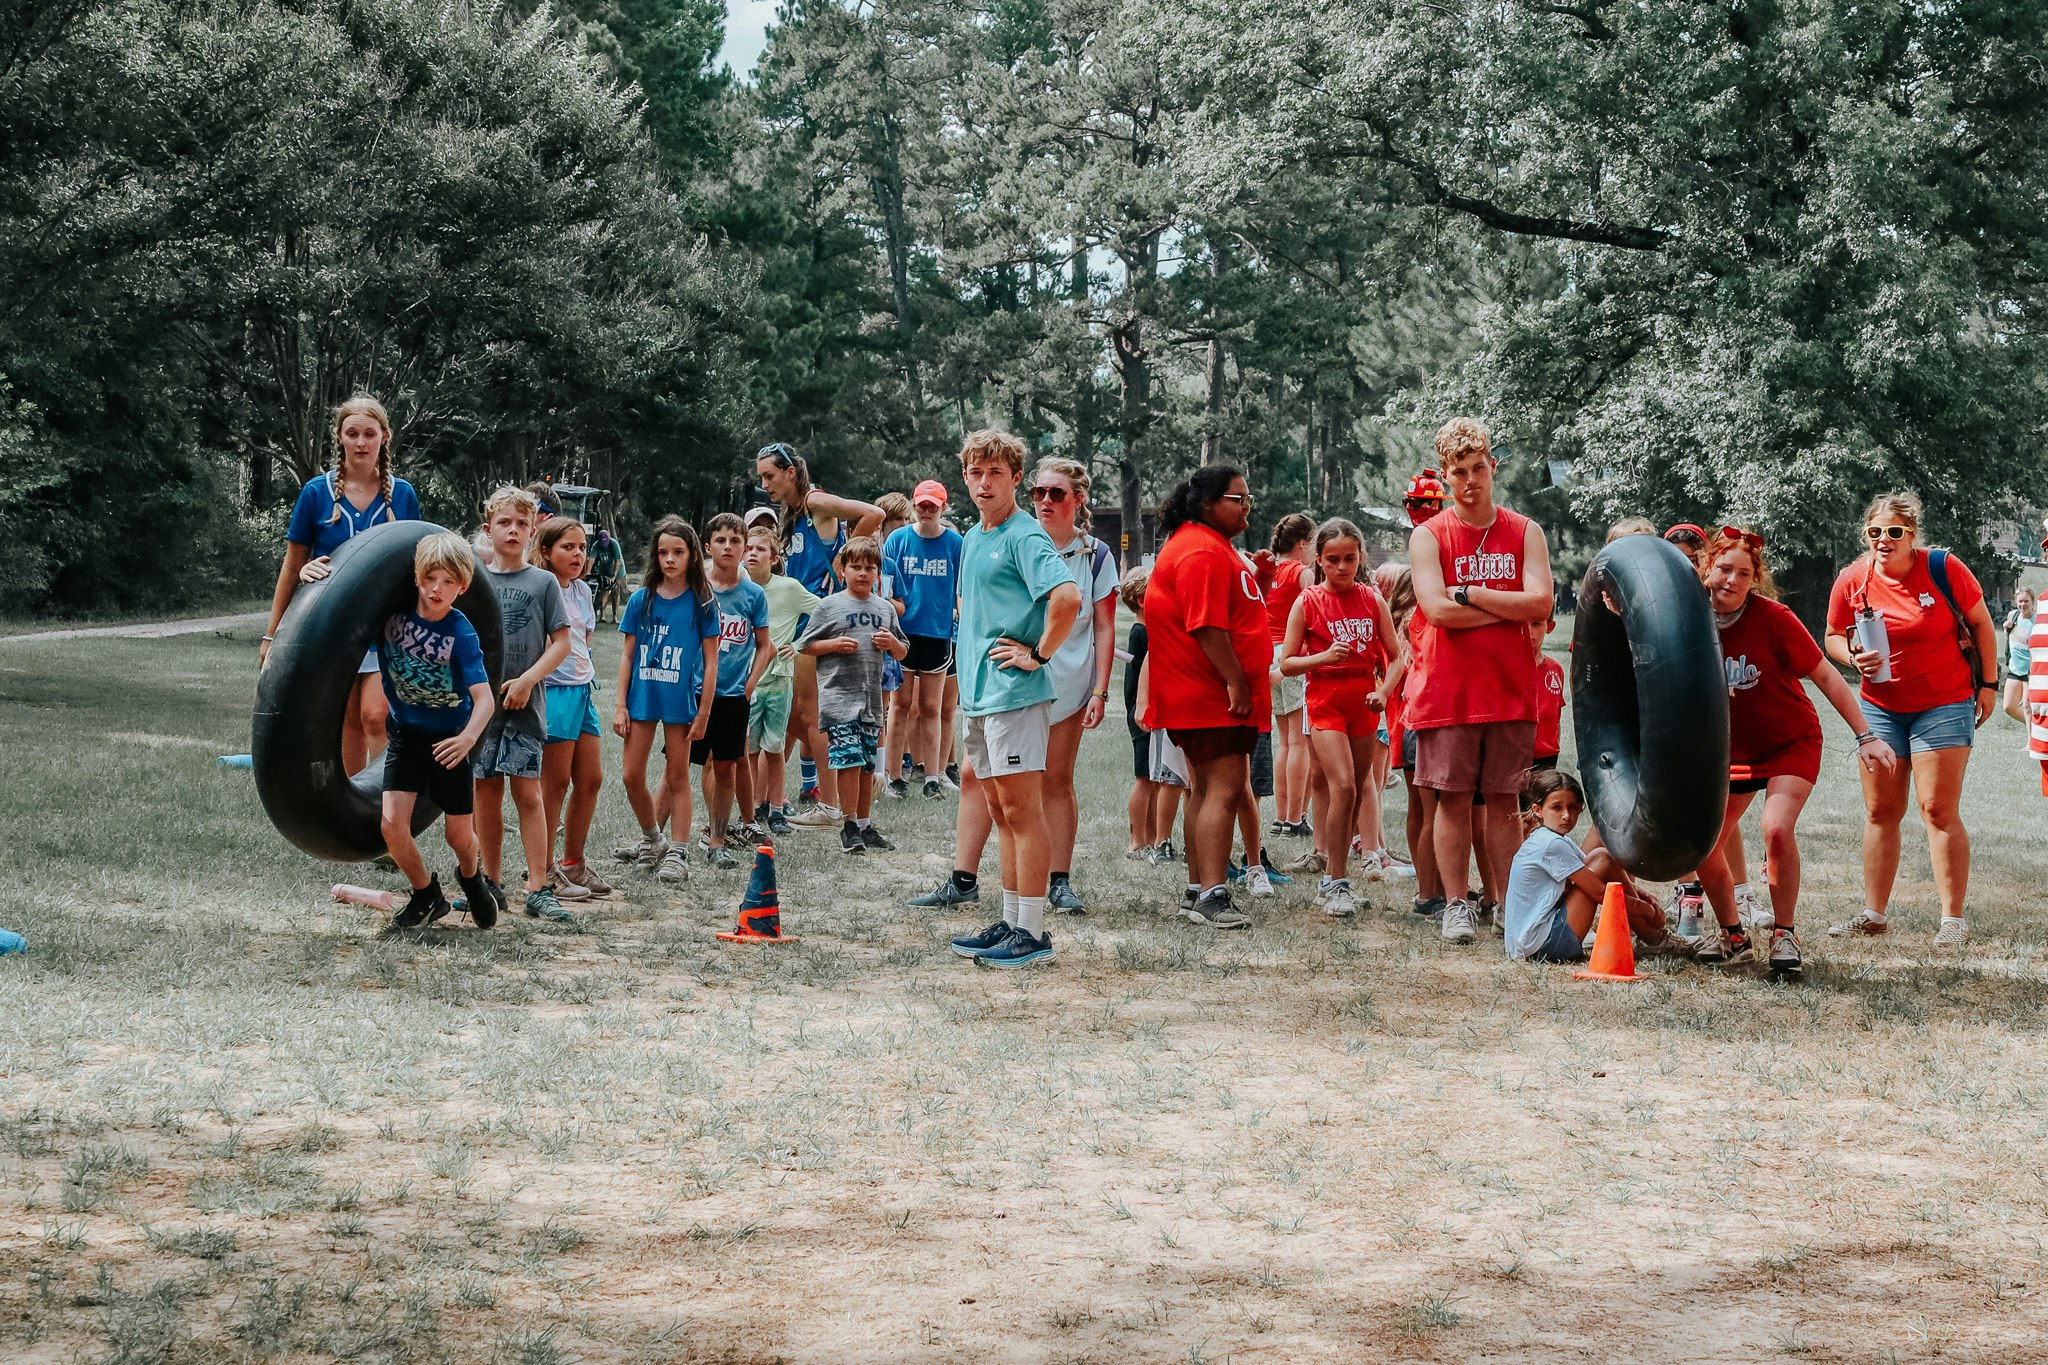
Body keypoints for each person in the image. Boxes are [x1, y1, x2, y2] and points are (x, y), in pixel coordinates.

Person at [1689, 528, 1898, 978]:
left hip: (1790, 742)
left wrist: (1866, 736)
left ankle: (1784, 934)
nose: (1732, 580)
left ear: (1755, 579)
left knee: (1776, 829)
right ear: (1707, 567)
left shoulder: (1774, 618)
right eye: (1725, 568)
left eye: (1744, 574)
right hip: (1732, 751)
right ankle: (1734, 936)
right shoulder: (1687, 616)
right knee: (1703, 844)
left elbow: (1826, 676)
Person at [1824, 493, 1998, 946]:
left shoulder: (1943, 568)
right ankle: (1873, 914)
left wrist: (1989, 685)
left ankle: (1952, 921)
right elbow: (1832, 636)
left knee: (1937, 810)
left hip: (1944, 701)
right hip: (1880, 707)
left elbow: (1981, 624)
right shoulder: (1852, 579)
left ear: (1911, 535)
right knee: (1881, 810)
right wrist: (1852, 656)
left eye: (1894, 532)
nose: (1884, 540)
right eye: (1875, 532)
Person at [936, 431, 1081, 967]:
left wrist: (1038, 655)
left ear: (1015, 478)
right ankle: (1012, 919)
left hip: (1015, 694)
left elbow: (1066, 599)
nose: (983, 483)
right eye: (975, 473)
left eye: (995, 473)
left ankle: (1035, 934)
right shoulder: (973, 536)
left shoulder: (1026, 535)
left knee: (1024, 810)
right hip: (979, 696)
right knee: (1000, 809)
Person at [1407, 418, 1555, 945]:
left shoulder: (1524, 530)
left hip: (1511, 690)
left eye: (1479, 469)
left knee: (1503, 803)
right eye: (1459, 472)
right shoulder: (1429, 534)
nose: (1471, 480)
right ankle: (1455, 903)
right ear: (1446, 479)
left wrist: (1470, 593)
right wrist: (1505, 609)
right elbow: (1436, 611)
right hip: (1448, 691)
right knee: (1449, 799)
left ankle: (1505, 902)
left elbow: (1541, 602)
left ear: (1493, 467)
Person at [1141, 466, 1272, 930]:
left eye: (1247, 497)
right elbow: (1207, 626)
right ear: (1207, 504)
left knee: (1203, 789)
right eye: (1237, 498)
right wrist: (1236, 682)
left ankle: (1198, 889)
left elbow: (1236, 615)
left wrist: (1265, 581)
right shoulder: (1200, 551)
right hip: (1208, 693)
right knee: (1225, 787)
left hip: (1197, 692)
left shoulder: (1205, 546)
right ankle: (1214, 893)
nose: (1246, 506)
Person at [264, 394, 422, 775]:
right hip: (332, 627)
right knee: (348, 723)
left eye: (369, 433)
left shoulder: (402, 495)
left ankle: (387, 806)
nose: (361, 442)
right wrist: (271, 637)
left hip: (386, 630)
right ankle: (355, 817)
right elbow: (292, 565)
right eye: (352, 433)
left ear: (384, 437)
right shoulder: (316, 493)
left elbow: (417, 565)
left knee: (376, 716)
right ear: (340, 437)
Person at [375, 532, 498, 930]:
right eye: (430, 577)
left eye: (448, 582)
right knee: (392, 826)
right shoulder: (392, 615)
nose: (436, 589)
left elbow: (485, 699)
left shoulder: (461, 634)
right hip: (407, 735)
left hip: (450, 741)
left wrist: (467, 739)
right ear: (416, 576)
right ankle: (427, 893)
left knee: (459, 836)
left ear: (462, 587)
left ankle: (472, 878)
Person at [756, 443, 883, 827]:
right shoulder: (793, 514)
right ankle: (785, 798)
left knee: (810, 716)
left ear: (791, 472)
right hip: (798, 623)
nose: (765, 485)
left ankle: (830, 805)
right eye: (761, 477)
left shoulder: (815, 502)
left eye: (770, 476)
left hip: (821, 621)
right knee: (793, 716)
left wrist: (844, 559)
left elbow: (874, 514)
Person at [1279, 518, 1395, 918]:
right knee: (1342, 786)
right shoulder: (1308, 601)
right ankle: (1334, 879)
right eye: (1333, 560)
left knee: (1359, 786)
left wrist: (1383, 691)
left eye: (1349, 558)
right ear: (1319, 560)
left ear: (1360, 556)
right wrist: (1323, 658)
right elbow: (1287, 662)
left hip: (1363, 701)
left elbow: (1397, 656)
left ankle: (1337, 878)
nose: (1342, 567)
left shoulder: (1372, 599)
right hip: (1326, 699)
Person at [470, 487, 573, 921]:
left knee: (527, 794)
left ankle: (538, 885)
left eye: (521, 524)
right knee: (484, 792)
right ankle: (489, 883)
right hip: (480, 708)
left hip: (525, 707)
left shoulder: (543, 582)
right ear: (488, 529)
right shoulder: (472, 580)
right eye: (504, 523)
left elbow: (562, 643)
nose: (512, 531)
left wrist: (529, 680)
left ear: (533, 531)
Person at [1028, 457, 1119, 913]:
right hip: (1019, 678)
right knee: (992, 780)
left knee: (1057, 782)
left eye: (1056, 493)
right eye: (1038, 493)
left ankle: (1059, 881)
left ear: (1077, 499)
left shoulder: (1097, 554)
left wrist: (1100, 691)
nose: (1045, 501)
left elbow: (1105, 627)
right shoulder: (1020, 542)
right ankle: (967, 876)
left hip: (1069, 682)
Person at [614, 517, 720, 884]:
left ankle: (678, 852)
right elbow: (627, 654)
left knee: (677, 777)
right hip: (643, 697)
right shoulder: (641, 599)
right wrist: (620, 704)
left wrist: (704, 711)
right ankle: (652, 838)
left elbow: (711, 662)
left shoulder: (702, 603)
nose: (669, 559)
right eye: (663, 552)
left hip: (680, 703)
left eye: (678, 552)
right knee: (631, 776)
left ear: (692, 555)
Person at [1505, 769, 1689, 964]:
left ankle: (1652, 937)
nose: (1566, 815)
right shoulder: (1551, 845)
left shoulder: (1548, 838)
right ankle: (1654, 939)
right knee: (1603, 859)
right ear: (1537, 810)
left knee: (1600, 857)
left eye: (1573, 808)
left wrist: (1644, 895)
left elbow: (1599, 873)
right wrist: (1647, 910)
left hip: (1532, 943)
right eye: (1557, 808)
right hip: (1544, 946)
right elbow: (1601, 893)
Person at [796, 537, 909, 854]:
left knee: (866, 766)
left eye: (869, 568)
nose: (862, 573)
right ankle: (848, 825)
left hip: (871, 701)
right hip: (839, 699)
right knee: (848, 762)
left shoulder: (884, 609)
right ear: (842, 570)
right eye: (855, 567)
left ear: (878, 573)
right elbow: (804, 644)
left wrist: (892, 644)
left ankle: (863, 824)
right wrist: (833, 645)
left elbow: (902, 651)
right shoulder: (829, 606)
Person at [532, 516, 611, 902]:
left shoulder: (581, 591)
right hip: (555, 692)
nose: (578, 554)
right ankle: (543, 868)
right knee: (555, 783)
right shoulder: (540, 587)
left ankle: (572, 862)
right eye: (567, 547)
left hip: (582, 691)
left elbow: (584, 640)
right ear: (545, 551)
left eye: (582, 547)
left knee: (591, 778)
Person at [695, 513, 773, 870]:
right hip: (694, 691)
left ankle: (718, 837)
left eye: (735, 541)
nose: (728, 547)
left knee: (726, 765)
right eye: (721, 540)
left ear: (744, 548)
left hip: (731, 695)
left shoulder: (753, 595)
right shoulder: (696, 588)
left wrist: (750, 683)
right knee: (684, 765)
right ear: (708, 545)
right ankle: (661, 838)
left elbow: (765, 645)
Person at [882, 480, 964, 799]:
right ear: (914, 506)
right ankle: (893, 776)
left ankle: (933, 776)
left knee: (932, 706)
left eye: (934, 505)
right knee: (900, 705)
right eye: (922, 505)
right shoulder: (898, 540)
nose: (927, 510)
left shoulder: (955, 543)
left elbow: (962, 588)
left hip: (937, 634)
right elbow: (885, 589)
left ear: (943, 507)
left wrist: (960, 615)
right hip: (903, 633)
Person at [742, 523, 821, 837]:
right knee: (748, 751)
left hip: (778, 680)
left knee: (774, 749)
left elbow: (823, 610)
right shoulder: (738, 587)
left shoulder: (788, 587)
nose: (752, 554)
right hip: (745, 681)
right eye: (748, 548)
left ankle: (775, 810)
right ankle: (749, 811)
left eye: (760, 549)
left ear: (774, 558)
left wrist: (799, 644)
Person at [1256, 513, 1318, 839]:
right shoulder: (1301, 572)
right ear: (1302, 544)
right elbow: (1316, 608)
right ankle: (1296, 818)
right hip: (1294, 657)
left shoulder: (1270, 571)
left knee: (1284, 742)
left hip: (1269, 655)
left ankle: (1281, 818)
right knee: (1300, 742)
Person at [1119, 567, 1183, 860]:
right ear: (1143, 601)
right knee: (1144, 778)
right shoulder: (1141, 633)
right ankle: (1137, 840)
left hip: (1153, 713)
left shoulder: (1147, 631)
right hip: (1143, 715)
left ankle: (1154, 838)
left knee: (1156, 778)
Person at [2003, 587, 2038, 724]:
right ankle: (2037, 728)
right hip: (2015, 669)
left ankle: (2032, 742)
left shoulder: (2038, 619)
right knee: (2008, 706)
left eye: (2026, 601)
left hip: (2031, 671)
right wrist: (2006, 628)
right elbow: (2010, 635)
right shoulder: (2013, 615)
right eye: (2020, 601)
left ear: (2033, 602)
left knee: (2027, 707)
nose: (2023, 604)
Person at [588, 527, 625, 624]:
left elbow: (617, 560)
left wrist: (614, 575)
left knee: (615, 592)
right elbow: (591, 558)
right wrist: (587, 572)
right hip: (604, 570)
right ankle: (602, 615)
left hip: (618, 570)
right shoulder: (596, 545)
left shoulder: (614, 544)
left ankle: (615, 616)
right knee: (604, 591)